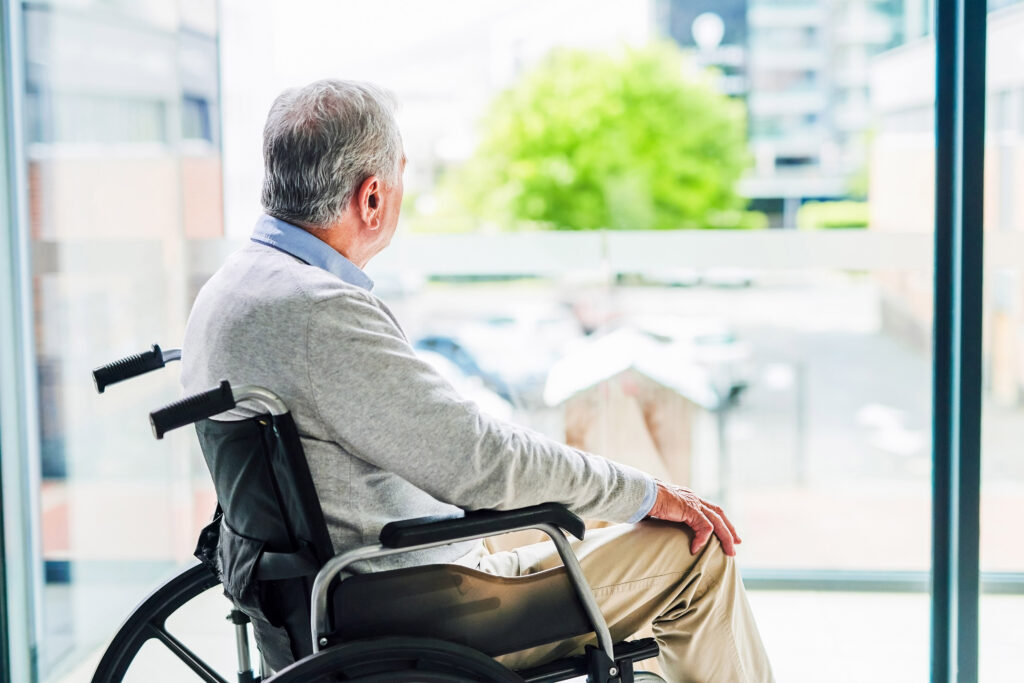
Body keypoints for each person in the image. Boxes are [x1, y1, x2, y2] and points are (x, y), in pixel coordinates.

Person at [182, 79, 773, 682]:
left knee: (610, 518)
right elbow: (480, 462)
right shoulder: (317, 312)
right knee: (696, 551)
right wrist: (650, 490)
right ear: (372, 198)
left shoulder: (231, 291)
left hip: (351, 584)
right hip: (414, 603)